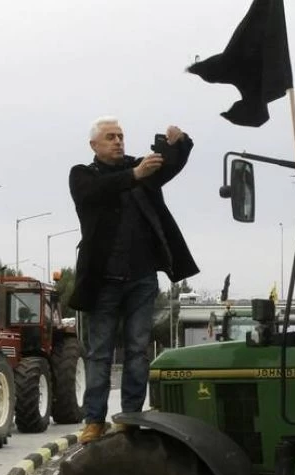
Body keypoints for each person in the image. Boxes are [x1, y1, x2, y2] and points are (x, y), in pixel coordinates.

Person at [67, 116, 199, 443]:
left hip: (142, 279)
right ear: (94, 145)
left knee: (138, 350)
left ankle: (130, 417)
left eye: (121, 136)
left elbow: (168, 166)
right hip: (103, 282)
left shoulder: (140, 170)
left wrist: (179, 143)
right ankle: (94, 420)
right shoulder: (83, 174)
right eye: (110, 137)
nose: (118, 141)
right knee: (99, 352)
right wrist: (133, 175)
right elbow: (93, 193)